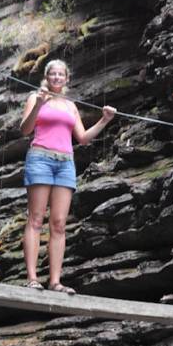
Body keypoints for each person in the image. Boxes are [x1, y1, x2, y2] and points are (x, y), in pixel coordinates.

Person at [20, 59, 116, 293]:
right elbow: (25, 129)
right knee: (36, 219)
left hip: (65, 163)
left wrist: (105, 120)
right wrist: (38, 105)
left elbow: (82, 138)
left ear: (66, 79)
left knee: (59, 224)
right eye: (52, 74)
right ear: (46, 76)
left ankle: (55, 282)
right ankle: (32, 278)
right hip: (40, 158)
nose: (56, 77)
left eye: (60, 74)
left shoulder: (71, 105)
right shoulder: (36, 97)